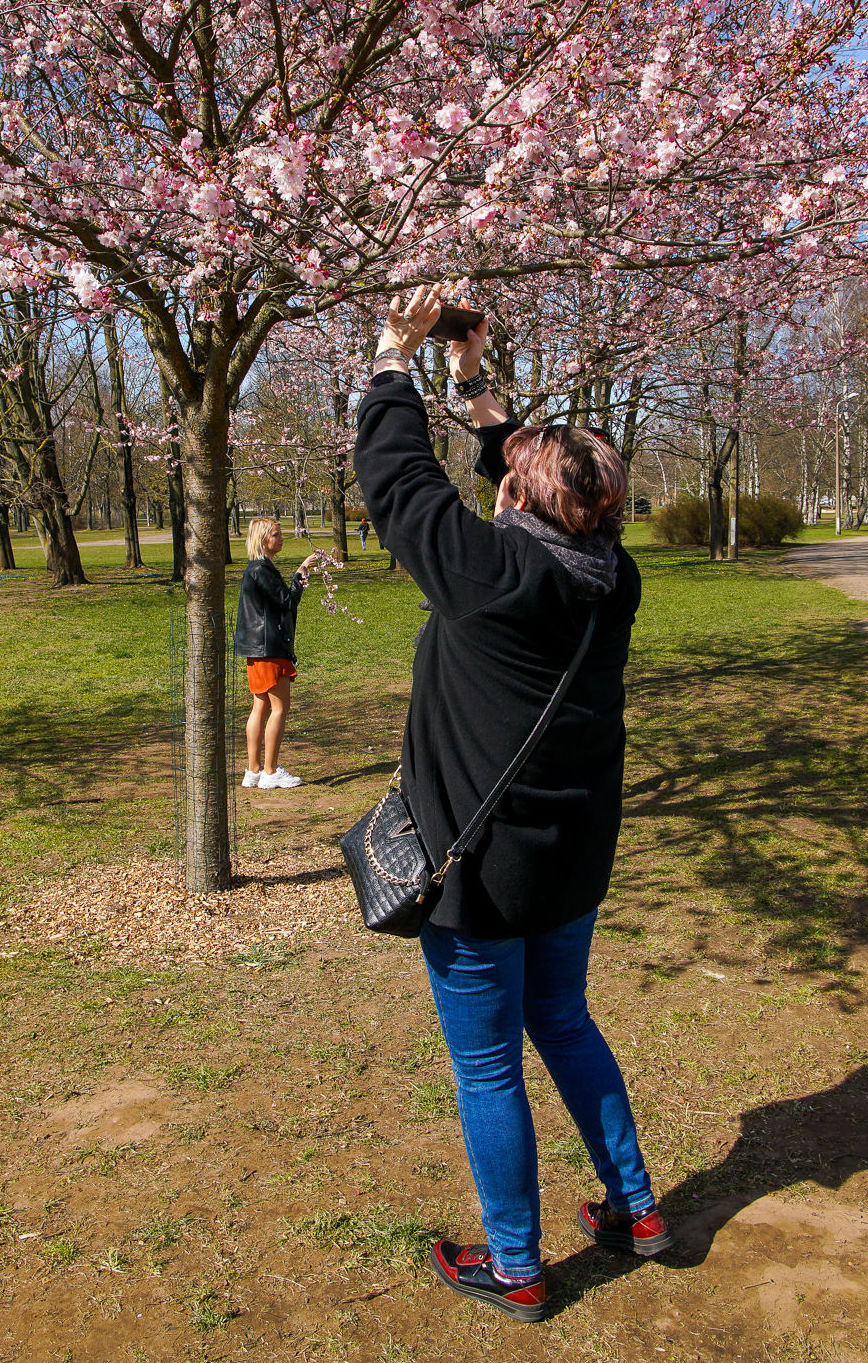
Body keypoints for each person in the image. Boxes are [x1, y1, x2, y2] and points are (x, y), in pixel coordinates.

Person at [354, 284, 665, 1324]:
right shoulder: (608, 575)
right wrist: (472, 380)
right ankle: (637, 1207)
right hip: (571, 855)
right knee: (564, 1021)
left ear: (518, 505)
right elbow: (540, 479)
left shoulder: (490, 574)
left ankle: (519, 1265)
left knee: (489, 1063)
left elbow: (397, 482)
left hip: (483, 867)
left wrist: (393, 356)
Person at [233, 515, 305, 789]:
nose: (281, 537)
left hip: (258, 649)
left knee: (260, 706)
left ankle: (253, 771)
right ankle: (271, 771)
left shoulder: (257, 569)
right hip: (269, 648)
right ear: (264, 538)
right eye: (276, 534)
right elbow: (287, 601)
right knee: (279, 708)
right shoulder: (261, 570)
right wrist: (299, 577)